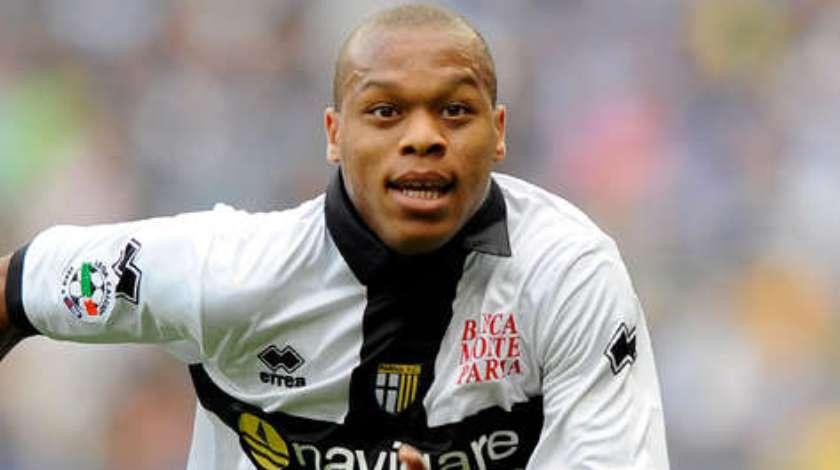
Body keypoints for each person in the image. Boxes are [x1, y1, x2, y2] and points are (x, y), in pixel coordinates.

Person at [0, 4, 669, 469]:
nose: (423, 136)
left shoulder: (566, 275)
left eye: (454, 110)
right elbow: (15, 289)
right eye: (386, 111)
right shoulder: (224, 272)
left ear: (497, 132)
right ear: (334, 133)